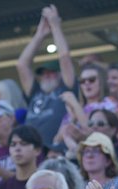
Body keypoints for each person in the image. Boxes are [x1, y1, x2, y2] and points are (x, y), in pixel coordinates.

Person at [17, 6, 76, 147]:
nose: (47, 76)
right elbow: (21, 65)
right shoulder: (35, 92)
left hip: (57, 153)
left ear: (60, 74)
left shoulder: (66, 89)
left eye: (51, 72)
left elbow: (64, 57)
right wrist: (40, 34)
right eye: (43, 73)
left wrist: (55, 26)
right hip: (32, 155)